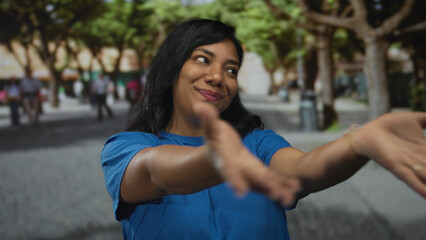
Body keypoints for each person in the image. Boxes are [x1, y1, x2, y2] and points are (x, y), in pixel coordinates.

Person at [101, 19, 426, 240]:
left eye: (231, 69)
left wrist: (358, 143)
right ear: (171, 68)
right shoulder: (126, 147)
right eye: (202, 59)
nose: (218, 76)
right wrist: (218, 158)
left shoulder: (257, 142)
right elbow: (154, 172)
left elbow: (300, 172)